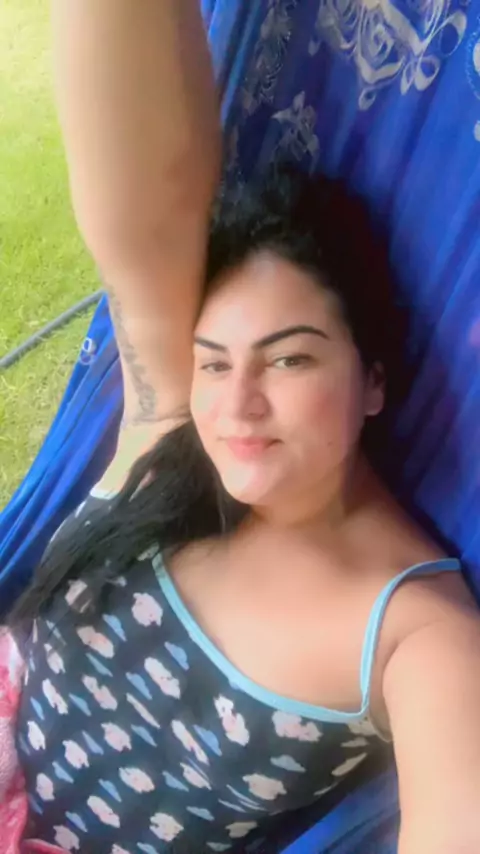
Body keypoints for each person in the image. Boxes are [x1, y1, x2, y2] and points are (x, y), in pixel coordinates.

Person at [8, 2, 480, 853]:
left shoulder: (411, 629)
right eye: (215, 362)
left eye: (290, 359)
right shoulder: (166, 429)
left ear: (373, 380)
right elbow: (141, 197)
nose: (237, 405)